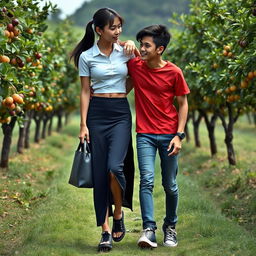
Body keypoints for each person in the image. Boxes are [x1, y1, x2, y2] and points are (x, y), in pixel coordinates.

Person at [70, 8, 136, 252]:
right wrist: (83, 124)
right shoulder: (87, 57)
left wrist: (120, 95)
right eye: (113, 27)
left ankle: (118, 212)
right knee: (100, 174)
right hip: (97, 115)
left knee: (114, 167)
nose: (118, 31)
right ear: (99, 30)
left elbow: (136, 76)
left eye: (120, 26)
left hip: (120, 113)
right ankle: (105, 230)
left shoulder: (126, 52)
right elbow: (85, 91)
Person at [127, 24, 190, 249]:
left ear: (160, 49)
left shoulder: (174, 72)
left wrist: (179, 135)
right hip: (144, 133)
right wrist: (129, 46)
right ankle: (149, 229)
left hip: (169, 135)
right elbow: (118, 51)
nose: (142, 49)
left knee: (170, 184)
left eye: (147, 45)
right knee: (146, 180)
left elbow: (183, 104)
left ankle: (170, 227)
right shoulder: (135, 65)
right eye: (141, 44)